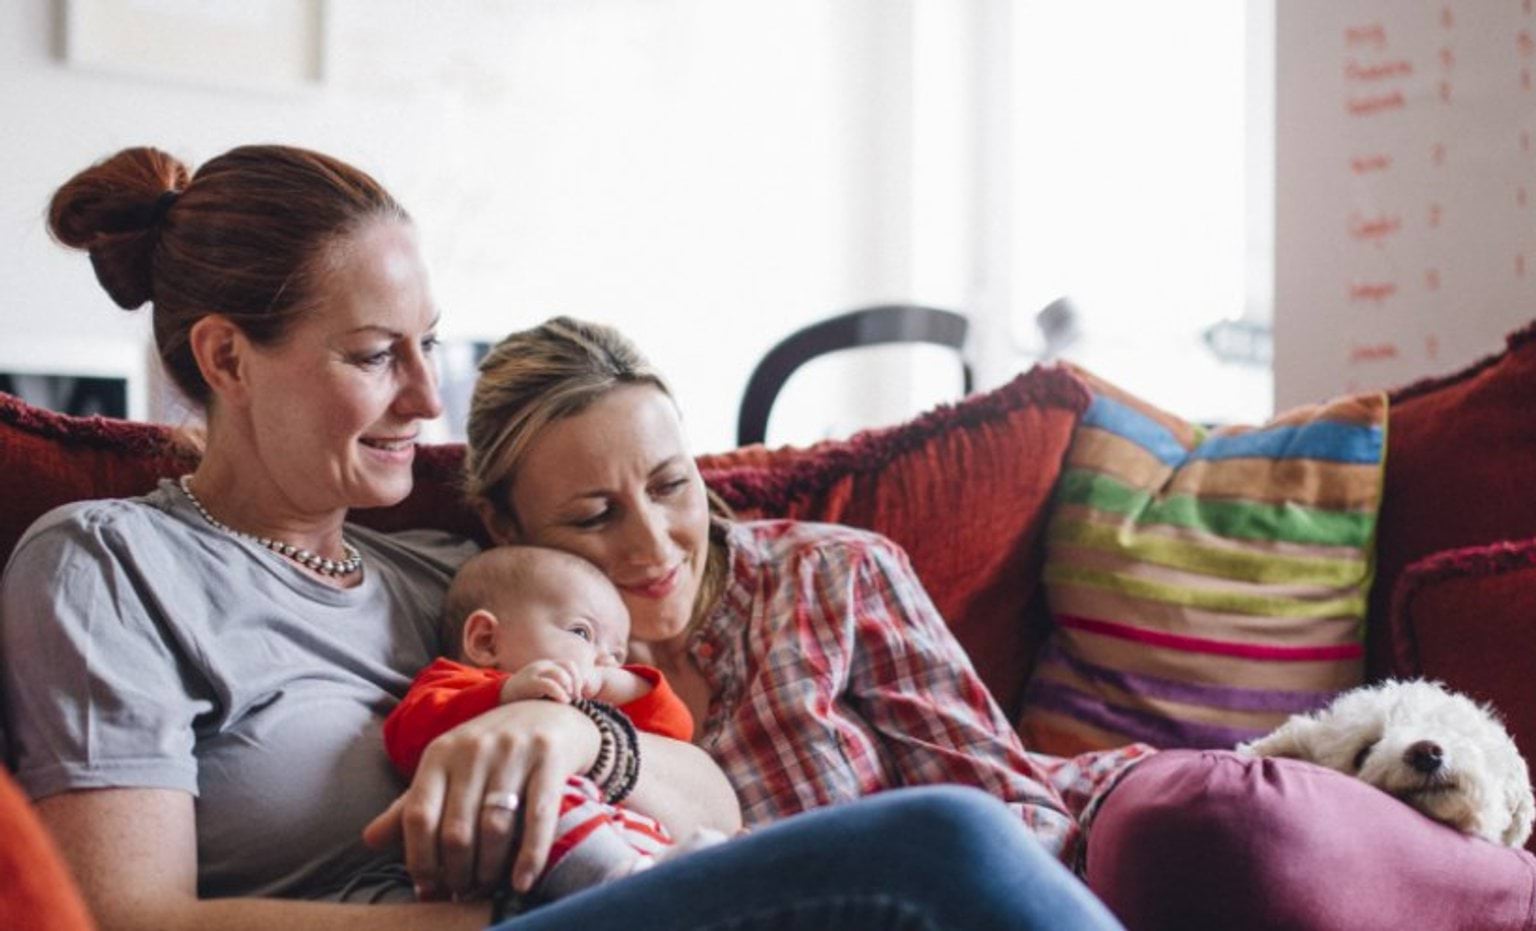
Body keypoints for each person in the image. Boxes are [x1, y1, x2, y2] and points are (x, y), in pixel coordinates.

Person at [0, 144, 1126, 931]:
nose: (426, 400)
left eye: (428, 346)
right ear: (227, 358)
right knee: (941, 847)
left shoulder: (455, 571)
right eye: (371, 355)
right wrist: (486, 912)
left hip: (602, 894)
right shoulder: (107, 565)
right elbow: (117, 916)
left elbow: (716, 799)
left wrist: (578, 740)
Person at [449, 315, 1536, 931]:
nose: (652, 544)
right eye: (594, 516)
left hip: (1099, 833)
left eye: (673, 485)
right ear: (507, 522)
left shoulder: (830, 575)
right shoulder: (515, 655)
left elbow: (1004, 798)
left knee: (1232, 839)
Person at [384, 545, 718, 903]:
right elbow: (407, 738)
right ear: (485, 641)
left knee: (636, 816)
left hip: (618, 837)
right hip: (503, 848)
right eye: (582, 633)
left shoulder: (593, 706)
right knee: (543, 798)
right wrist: (505, 694)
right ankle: (624, 881)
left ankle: (684, 868)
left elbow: (676, 732)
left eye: (617, 654)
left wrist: (632, 685)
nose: (604, 660)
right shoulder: (454, 683)